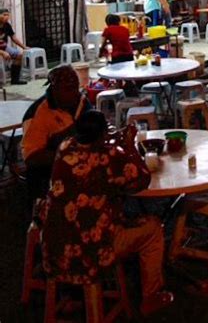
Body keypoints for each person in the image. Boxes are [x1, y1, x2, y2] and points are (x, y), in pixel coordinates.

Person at [40, 110, 173, 315]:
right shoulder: (108, 157)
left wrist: (111, 140)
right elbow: (141, 180)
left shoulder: (65, 148)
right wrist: (128, 146)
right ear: (102, 134)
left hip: (54, 246)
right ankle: (151, 297)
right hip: (93, 252)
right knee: (153, 228)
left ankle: (70, 294)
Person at [22, 65, 90, 205]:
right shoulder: (37, 114)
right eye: (67, 89)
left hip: (81, 172)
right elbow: (31, 157)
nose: (74, 93)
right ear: (55, 89)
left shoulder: (81, 102)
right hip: (48, 180)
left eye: (75, 87)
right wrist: (68, 154)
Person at [0, 8, 28, 84]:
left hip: (4, 47)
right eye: (4, 15)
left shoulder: (7, 25)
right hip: (1, 50)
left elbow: (14, 38)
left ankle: (15, 80)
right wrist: (2, 53)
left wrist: (24, 47)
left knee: (19, 55)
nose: (6, 17)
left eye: (8, 15)